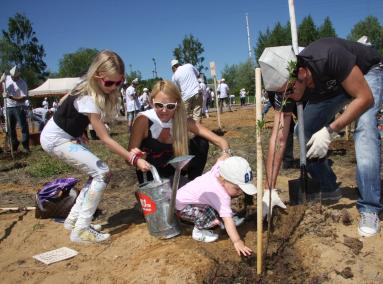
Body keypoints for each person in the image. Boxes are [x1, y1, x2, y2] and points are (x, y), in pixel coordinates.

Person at [259, 38, 383, 238]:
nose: (289, 98)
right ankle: (328, 186)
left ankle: (369, 208)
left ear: (301, 73)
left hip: (367, 72)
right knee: (303, 131)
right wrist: (269, 189)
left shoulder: (328, 55)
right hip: (329, 88)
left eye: (290, 91)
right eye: (283, 94)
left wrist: (330, 130)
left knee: (365, 130)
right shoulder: (282, 89)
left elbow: (365, 98)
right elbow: (279, 139)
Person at [40, 50, 151, 244]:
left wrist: (77, 128)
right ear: (97, 76)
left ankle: (73, 221)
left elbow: (67, 100)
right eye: (109, 83)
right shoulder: (88, 97)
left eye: (119, 83)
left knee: (96, 172)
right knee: (103, 172)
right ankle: (81, 229)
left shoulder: (85, 86)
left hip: (62, 135)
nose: (113, 87)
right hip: (55, 139)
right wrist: (134, 158)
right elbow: (105, 138)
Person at [129, 80, 231, 185]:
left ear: (177, 105)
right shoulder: (143, 120)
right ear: (151, 102)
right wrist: (137, 158)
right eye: (159, 105)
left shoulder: (182, 120)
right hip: (151, 173)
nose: (164, 110)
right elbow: (128, 159)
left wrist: (225, 153)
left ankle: (192, 185)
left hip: (174, 172)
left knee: (201, 142)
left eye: (170, 106)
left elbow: (220, 140)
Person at [175, 156, 255, 256]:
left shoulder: (219, 170)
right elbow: (228, 220)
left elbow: (220, 159)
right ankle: (199, 231)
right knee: (212, 218)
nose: (240, 192)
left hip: (184, 199)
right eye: (237, 188)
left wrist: (226, 154)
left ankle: (213, 217)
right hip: (182, 208)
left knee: (217, 209)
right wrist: (237, 241)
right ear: (223, 180)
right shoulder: (222, 196)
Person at [4, 66, 30, 153]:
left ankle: (26, 147)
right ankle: (14, 145)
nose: (14, 78)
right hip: (8, 107)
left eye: (16, 77)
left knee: (23, 126)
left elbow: (23, 98)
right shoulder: (6, 78)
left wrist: (9, 96)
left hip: (19, 106)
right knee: (10, 128)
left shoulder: (23, 83)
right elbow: (1, 82)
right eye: (12, 77)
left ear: (18, 76)